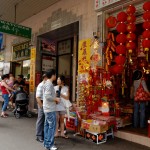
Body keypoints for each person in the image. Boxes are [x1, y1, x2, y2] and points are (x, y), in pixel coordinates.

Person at [43, 69, 60, 150]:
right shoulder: (49, 84)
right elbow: (47, 96)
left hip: (47, 108)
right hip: (50, 109)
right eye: (55, 75)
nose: (56, 76)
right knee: (51, 127)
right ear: (53, 75)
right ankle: (50, 144)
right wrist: (55, 99)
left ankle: (46, 142)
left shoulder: (47, 83)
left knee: (47, 126)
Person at [36, 74, 47, 143]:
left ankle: (43, 134)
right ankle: (38, 135)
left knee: (44, 120)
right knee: (40, 119)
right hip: (42, 103)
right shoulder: (41, 85)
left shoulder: (48, 85)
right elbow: (38, 97)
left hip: (46, 104)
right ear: (45, 78)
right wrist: (41, 106)